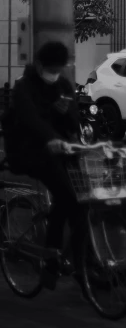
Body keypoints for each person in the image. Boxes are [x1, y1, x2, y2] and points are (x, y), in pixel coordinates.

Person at [2, 41, 88, 289]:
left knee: (79, 200)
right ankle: (72, 266)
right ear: (39, 65)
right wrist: (50, 137)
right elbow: (30, 119)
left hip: (58, 151)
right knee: (69, 199)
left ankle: (57, 259)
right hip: (28, 152)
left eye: (59, 68)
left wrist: (63, 113)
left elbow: (73, 121)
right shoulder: (23, 87)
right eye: (51, 68)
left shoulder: (62, 85)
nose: (55, 74)